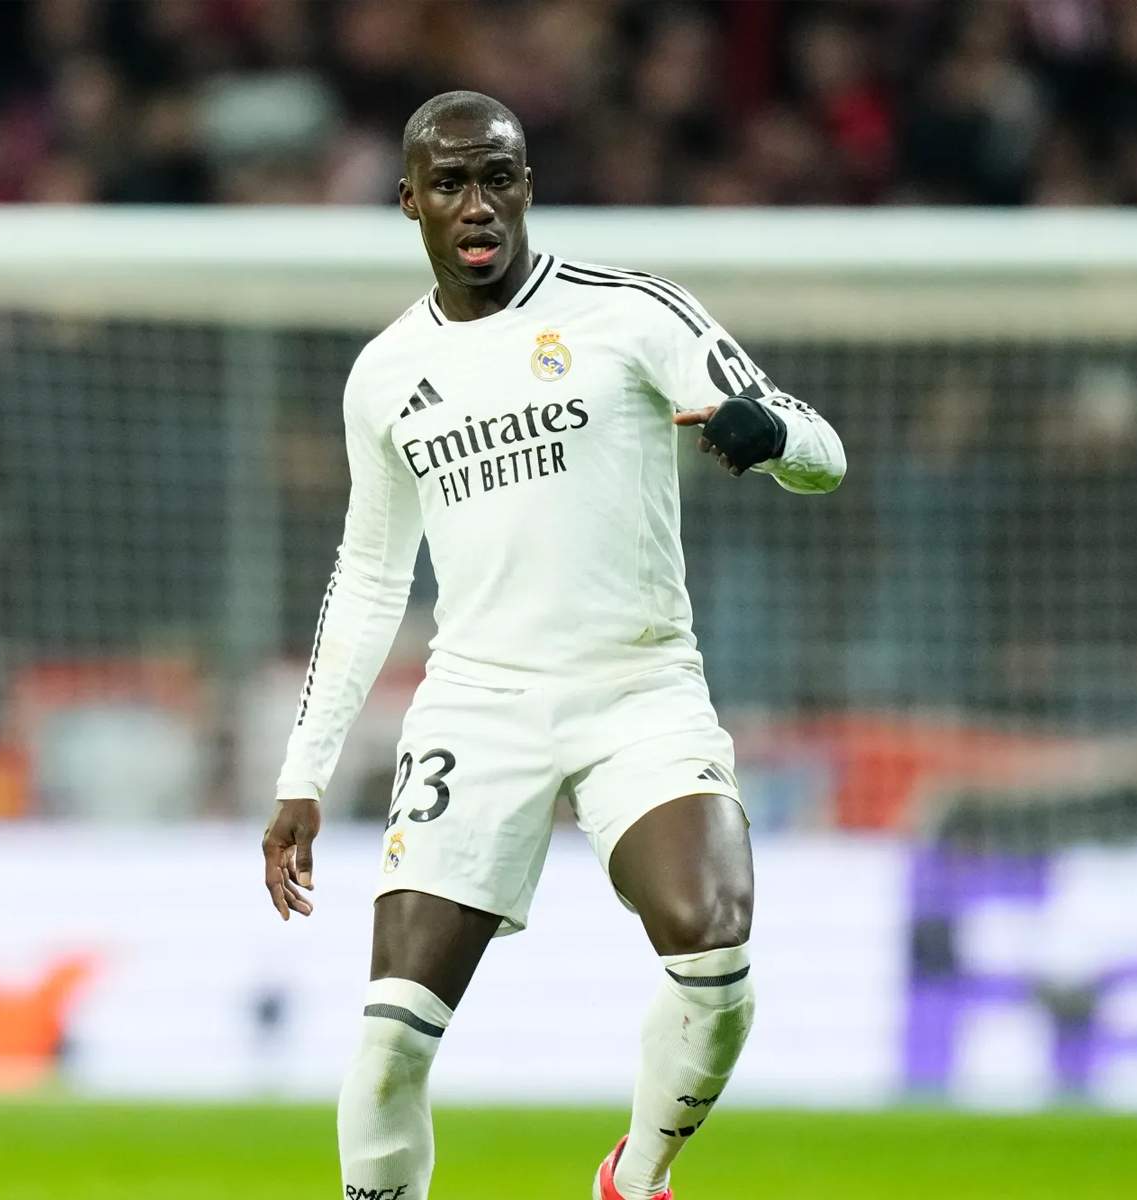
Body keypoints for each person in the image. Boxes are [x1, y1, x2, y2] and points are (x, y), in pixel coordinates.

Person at [261, 90, 845, 1200]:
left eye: (498, 178)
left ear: (526, 188)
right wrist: (302, 775)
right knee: (390, 1038)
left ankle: (636, 1174)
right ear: (408, 204)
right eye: (450, 184)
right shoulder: (384, 375)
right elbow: (370, 576)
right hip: (477, 706)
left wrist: (771, 439)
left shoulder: (630, 315)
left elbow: (824, 452)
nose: (476, 204)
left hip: (639, 687)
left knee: (715, 957)